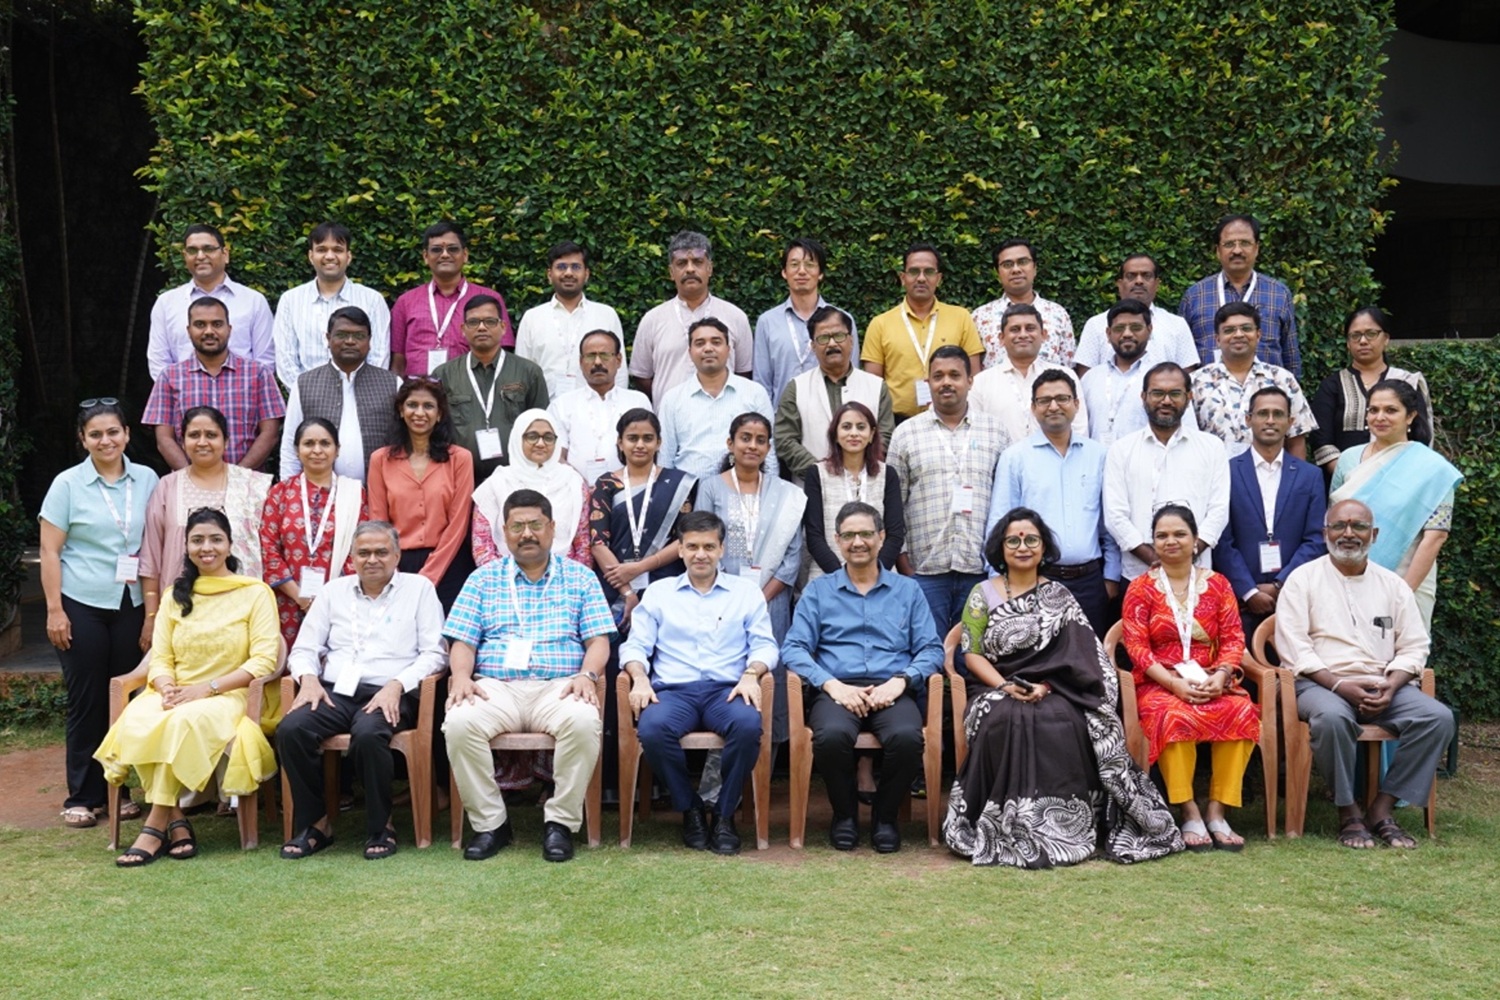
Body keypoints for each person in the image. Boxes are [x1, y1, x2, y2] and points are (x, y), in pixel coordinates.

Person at [944, 509, 1183, 867]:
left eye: (1031, 540)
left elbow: (1084, 654)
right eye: (1013, 540)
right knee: (1003, 717)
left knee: (1064, 720)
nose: (1022, 547)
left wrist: (1047, 685)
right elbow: (972, 655)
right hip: (993, 687)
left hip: (1054, 688)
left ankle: (1064, 828)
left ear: (1043, 548)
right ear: (1000, 547)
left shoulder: (1059, 594)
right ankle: (1005, 822)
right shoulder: (982, 594)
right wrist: (1006, 685)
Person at [95, 508, 280, 866]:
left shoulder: (255, 593)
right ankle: (177, 822)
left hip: (227, 695)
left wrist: (206, 688)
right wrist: (165, 687)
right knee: (138, 718)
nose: (206, 547)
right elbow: (160, 657)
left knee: (181, 722)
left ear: (229, 545)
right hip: (175, 692)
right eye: (197, 540)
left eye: (215, 539)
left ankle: (155, 825)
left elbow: (262, 661)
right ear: (187, 547)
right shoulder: (173, 595)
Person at [443, 490, 615, 862]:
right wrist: (460, 676)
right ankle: (491, 824)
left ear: (552, 528)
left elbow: (599, 640)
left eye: (536, 524)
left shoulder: (581, 578)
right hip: (497, 688)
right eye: (517, 526)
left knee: (584, 721)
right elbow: (463, 641)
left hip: (559, 686)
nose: (527, 533)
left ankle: (560, 824)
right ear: (504, 531)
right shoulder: (482, 579)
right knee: (459, 723)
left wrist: (588, 673)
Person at [1276, 499, 1455, 849]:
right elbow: (1294, 648)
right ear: (1325, 532)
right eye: (1339, 526)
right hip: (1319, 683)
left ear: (1373, 534)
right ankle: (1348, 811)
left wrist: (1392, 684)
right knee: (1330, 719)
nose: (1348, 534)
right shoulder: (1302, 580)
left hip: (1383, 684)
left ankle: (1381, 808)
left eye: (1358, 527)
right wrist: (1340, 685)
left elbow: (1415, 646)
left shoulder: (1393, 585)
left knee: (1438, 718)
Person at [278, 520, 446, 860]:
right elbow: (304, 648)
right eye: (364, 553)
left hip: (391, 691)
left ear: (397, 555)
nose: (373, 559)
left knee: (369, 735)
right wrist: (307, 678)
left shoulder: (419, 589)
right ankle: (316, 824)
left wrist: (397, 685)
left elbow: (435, 652)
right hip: (334, 691)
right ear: (351, 558)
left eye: (382, 552)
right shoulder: (332, 591)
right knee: (291, 730)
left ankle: (380, 826)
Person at [782, 502, 941, 852]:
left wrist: (902, 680)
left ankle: (885, 818)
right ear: (838, 541)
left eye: (866, 533)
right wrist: (831, 684)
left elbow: (932, 649)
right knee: (832, 736)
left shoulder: (908, 591)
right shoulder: (819, 591)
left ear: (881, 537)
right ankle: (845, 815)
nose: (858, 542)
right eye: (850, 535)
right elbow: (793, 648)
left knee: (906, 738)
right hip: (837, 688)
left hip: (892, 687)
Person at [620, 511, 778, 854]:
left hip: (728, 690)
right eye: (692, 546)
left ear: (721, 549)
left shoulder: (746, 593)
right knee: (652, 730)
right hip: (674, 692)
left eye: (709, 546)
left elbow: (765, 644)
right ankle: (690, 808)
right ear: (679, 549)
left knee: (748, 725)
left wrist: (752, 674)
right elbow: (636, 645)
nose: (700, 554)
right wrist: (640, 678)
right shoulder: (659, 594)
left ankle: (723, 815)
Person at [39, 400, 160, 829]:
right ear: (82, 439)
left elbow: (156, 547)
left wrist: (152, 614)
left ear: (127, 433)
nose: (105, 441)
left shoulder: (147, 478)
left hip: (132, 605)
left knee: (127, 699)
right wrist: (55, 610)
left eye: (113, 432)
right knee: (87, 699)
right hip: (82, 603)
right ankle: (82, 795)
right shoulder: (68, 484)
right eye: (95, 434)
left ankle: (120, 791)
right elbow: (50, 551)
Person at [1122, 505, 1261, 851]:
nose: (1171, 541)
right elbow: (1136, 647)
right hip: (1160, 682)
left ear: (1196, 540)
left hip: (1212, 678)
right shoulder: (1141, 588)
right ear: (1153, 542)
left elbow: (1232, 638)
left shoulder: (1217, 584)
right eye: (1162, 535)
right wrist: (1173, 684)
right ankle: (1188, 811)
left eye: (1179, 534)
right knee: (1172, 715)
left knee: (1241, 712)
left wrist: (1223, 674)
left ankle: (1217, 810)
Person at [693, 411, 803, 742]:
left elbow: (793, 555)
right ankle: (723, 765)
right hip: (721, 599)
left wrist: (762, 596)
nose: (752, 446)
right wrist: (734, 594)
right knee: (727, 670)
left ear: (769, 448)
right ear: (730, 443)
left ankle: (765, 759)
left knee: (768, 670)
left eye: (759, 440)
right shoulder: (711, 487)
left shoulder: (787, 493)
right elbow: (703, 541)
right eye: (745, 438)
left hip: (772, 600)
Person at [887, 345, 1010, 636]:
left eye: (955, 375)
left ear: (970, 380)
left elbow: (1006, 502)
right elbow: (893, 504)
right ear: (927, 382)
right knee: (928, 655)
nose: (946, 382)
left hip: (980, 569)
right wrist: (904, 564)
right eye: (938, 376)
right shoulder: (906, 433)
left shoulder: (996, 431)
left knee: (973, 657)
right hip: (924, 570)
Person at [987, 369, 1119, 636]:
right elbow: (999, 523)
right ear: (1033, 408)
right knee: (1041, 663)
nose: (1054, 406)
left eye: (1062, 398)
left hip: (1090, 582)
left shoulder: (1099, 455)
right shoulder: (1015, 458)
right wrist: (998, 583)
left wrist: (1111, 577)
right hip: (1033, 578)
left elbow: (1109, 522)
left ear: (1076, 404)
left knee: (1091, 665)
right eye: (1045, 400)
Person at [1329, 379, 1461, 628]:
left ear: (1410, 416)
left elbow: (1435, 537)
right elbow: (1333, 521)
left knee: (1404, 654)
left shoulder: (1432, 469)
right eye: (1373, 410)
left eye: (1391, 410)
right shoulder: (1348, 459)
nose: (1380, 417)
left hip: (1408, 575)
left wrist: (1402, 595)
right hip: (1348, 573)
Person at [139, 406, 272, 647]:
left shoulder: (251, 487)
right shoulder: (167, 487)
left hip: (239, 610)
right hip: (180, 609)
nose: (202, 442)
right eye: (194, 435)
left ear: (226, 440)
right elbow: (151, 557)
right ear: (182, 441)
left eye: (211, 435)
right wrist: (151, 616)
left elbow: (269, 550)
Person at [1212, 386, 1327, 640]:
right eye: (1263, 413)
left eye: (1278, 414)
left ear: (1291, 421)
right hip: (1239, 598)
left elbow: (1316, 539)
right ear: (1248, 419)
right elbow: (1221, 539)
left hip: (1296, 596)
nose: (1271, 420)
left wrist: (1280, 584)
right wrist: (1249, 591)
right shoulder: (1226, 472)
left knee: (1292, 674)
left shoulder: (1310, 476)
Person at [1104, 362, 1228, 582]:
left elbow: (1218, 510)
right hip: (1137, 575)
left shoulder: (1212, 447)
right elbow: (1115, 515)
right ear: (1143, 397)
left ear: (1189, 397)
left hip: (1196, 574)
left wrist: (1189, 554)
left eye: (1175, 394)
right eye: (1158, 393)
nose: (1166, 401)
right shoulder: (1121, 450)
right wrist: (1153, 557)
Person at [366, 378, 475, 610]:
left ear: (439, 414)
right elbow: (378, 522)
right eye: (412, 405)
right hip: (396, 563)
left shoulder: (460, 459)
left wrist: (429, 575)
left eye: (428, 406)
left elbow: (458, 524)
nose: (419, 412)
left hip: (449, 563)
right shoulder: (380, 460)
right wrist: (393, 574)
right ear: (401, 411)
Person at [259, 417, 368, 647]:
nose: (317, 450)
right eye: (309, 444)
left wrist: (328, 598)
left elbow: (360, 547)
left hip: (338, 602)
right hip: (286, 600)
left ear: (337, 450)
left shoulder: (354, 494)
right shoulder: (280, 493)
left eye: (325, 444)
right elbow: (268, 546)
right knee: (287, 665)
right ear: (297, 450)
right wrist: (299, 595)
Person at [142, 296, 285, 470]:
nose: (209, 331)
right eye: (200, 325)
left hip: (248, 485)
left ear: (229, 329)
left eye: (217, 324)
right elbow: (164, 439)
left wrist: (237, 478)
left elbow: (270, 434)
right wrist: (193, 479)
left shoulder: (258, 374)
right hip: (189, 487)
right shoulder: (169, 377)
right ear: (188, 330)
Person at [588, 408, 697, 626]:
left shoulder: (679, 483)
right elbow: (598, 542)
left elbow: (685, 540)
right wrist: (627, 592)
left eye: (648, 438)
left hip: (665, 582)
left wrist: (639, 567)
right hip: (615, 584)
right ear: (620, 443)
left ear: (659, 443)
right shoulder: (606, 484)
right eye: (632, 438)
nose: (640, 445)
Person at [629, 230, 753, 406]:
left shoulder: (735, 317)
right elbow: (641, 376)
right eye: (681, 263)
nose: (690, 269)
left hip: (725, 420)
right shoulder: (652, 319)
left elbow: (744, 373)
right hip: (669, 423)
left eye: (697, 262)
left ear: (709, 268)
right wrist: (667, 400)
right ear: (671, 272)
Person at [861, 243, 984, 420]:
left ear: (938, 278)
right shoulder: (880, 324)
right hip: (897, 420)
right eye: (913, 271)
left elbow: (974, 377)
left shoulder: (961, 317)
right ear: (903, 278)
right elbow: (872, 387)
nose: (921, 278)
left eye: (929, 272)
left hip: (952, 418)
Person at [434, 294, 549, 482]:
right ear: (463, 329)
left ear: (503, 327)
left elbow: (542, 426)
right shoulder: (444, 374)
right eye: (473, 322)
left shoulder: (529, 372)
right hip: (459, 478)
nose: (481, 327)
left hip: (517, 478)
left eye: (489, 321)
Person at [278, 306, 402, 480]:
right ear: (328, 338)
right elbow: (290, 445)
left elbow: (404, 444)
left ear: (370, 341)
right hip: (319, 497)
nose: (350, 341)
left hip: (379, 495)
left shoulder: (393, 383)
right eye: (341, 335)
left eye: (359, 336)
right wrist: (288, 492)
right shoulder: (305, 383)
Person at [773, 304, 892, 483]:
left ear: (851, 340)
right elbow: (785, 439)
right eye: (823, 338)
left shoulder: (876, 387)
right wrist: (819, 475)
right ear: (813, 346)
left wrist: (857, 470)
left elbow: (885, 436)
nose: (832, 343)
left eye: (838, 336)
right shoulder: (796, 388)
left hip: (866, 485)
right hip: (811, 489)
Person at [1308, 307, 1433, 474]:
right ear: (1347, 342)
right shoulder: (1332, 385)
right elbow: (1321, 440)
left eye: (1371, 334)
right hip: (1345, 483)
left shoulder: (1406, 381)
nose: (1363, 341)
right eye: (1355, 335)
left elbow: (1422, 434)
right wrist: (1352, 476)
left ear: (1386, 338)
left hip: (1401, 478)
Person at [146, 223, 274, 381]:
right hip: (184, 400)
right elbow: (159, 363)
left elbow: (265, 362)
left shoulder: (253, 301)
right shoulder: (167, 303)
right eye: (192, 250)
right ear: (185, 256)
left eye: (208, 249)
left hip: (240, 399)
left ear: (225, 254)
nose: (200, 256)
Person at [1178, 213, 1301, 376]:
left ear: (1256, 248)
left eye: (1245, 243)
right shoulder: (1195, 296)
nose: (1237, 250)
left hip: (1267, 396)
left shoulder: (1278, 294)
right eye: (1229, 244)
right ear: (1218, 251)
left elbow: (1291, 358)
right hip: (1208, 397)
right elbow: (1182, 357)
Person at [272, 221, 392, 385]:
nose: (329, 256)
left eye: (337, 250)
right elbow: (286, 361)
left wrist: (355, 394)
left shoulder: (372, 300)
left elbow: (379, 356)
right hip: (307, 402)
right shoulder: (290, 300)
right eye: (321, 249)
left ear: (348, 257)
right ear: (310, 256)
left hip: (361, 400)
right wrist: (308, 395)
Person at [1190, 303, 1316, 459]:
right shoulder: (1195, 382)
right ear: (1217, 339)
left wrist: (1295, 482)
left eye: (1246, 328)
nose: (1238, 335)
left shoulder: (1282, 380)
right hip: (1212, 478)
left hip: (1270, 477)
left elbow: (1296, 440)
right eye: (1229, 330)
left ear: (1258, 335)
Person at [658, 317, 777, 479]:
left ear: (728, 349)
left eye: (716, 342)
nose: (708, 348)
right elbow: (665, 458)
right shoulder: (672, 399)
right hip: (689, 493)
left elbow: (769, 453)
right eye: (700, 343)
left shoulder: (754, 393)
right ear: (690, 352)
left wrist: (770, 491)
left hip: (742, 489)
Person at [389, 221, 512, 377]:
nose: (445, 254)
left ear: (465, 255)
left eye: (453, 249)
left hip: (471, 392)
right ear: (426, 257)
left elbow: (503, 356)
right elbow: (397, 361)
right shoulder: (406, 302)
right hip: (418, 393)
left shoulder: (489, 299)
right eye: (436, 250)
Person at [472, 409, 592, 568]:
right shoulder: (496, 484)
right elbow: (482, 545)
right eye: (532, 436)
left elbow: (583, 543)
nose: (541, 443)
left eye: (548, 437)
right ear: (517, 438)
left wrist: (570, 582)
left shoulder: (573, 482)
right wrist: (503, 581)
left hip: (565, 579)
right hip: (505, 580)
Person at [752, 237, 861, 408]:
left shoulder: (842, 320)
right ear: (784, 272)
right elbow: (762, 383)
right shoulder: (767, 322)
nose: (801, 271)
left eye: (810, 265)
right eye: (794, 265)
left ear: (821, 273)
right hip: (784, 422)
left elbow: (854, 377)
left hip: (833, 420)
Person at [802, 401, 904, 581]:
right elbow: (814, 536)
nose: (854, 433)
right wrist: (843, 576)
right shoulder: (817, 474)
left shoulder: (887, 474)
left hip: (881, 576)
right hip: (828, 576)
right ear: (835, 434)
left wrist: (873, 574)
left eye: (861, 427)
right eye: (846, 427)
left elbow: (895, 534)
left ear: (871, 434)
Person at [1079, 298, 1202, 446]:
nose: (1127, 334)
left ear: (1150, 331)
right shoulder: (1091, 378)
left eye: (1136, 327)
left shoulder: (1165, 379)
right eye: (1119, 328)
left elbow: (1187, 432)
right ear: (1108, 333)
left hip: (1147, 466)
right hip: (1097, 466)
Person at [513, 241, 626, 398]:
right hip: (546, 413)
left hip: (597, 410)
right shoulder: (532, 318)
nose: (568, 273)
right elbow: (521, 372)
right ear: (549, 274)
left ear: (586, 274)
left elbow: (619, 371)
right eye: (561, 267)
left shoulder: (606, 315)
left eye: (576, 267)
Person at [970, 304, 1088, 442]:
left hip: (1056, 461)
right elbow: (975, 433)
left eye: (1030, 328)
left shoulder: (1066, 377)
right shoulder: (981, 383)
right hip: (1000, 462)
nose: (1023, 334)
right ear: (1001, 338)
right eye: (1015, 329)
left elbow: (1079, 429)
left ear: (1044, 335)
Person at [549, 329, 651, 483]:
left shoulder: (637, 401)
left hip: (629, 492)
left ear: (618, 360)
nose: (597, 362)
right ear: (581, 362)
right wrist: (580, 487)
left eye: (604, 355)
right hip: (576, 493)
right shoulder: (562, 405)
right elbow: (556, 456)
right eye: (590, 356)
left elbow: (650, 451)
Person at [1074, 254, 1200, 375]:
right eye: (1131, 276)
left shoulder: (1176, 325)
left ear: (1157, 284)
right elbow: (1085, 380)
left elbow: (1188, 378)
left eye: (1146, 276)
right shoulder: (1096, 325)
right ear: (1120, 284)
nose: (1139, 281)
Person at [971, 239, 1076, 369]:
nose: (1016, 269)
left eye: (1023, 262)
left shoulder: (1058, 314)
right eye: (1007, 264)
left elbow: (1068, 367)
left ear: (1035, 268)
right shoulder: (980, 317)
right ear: (998, 273)